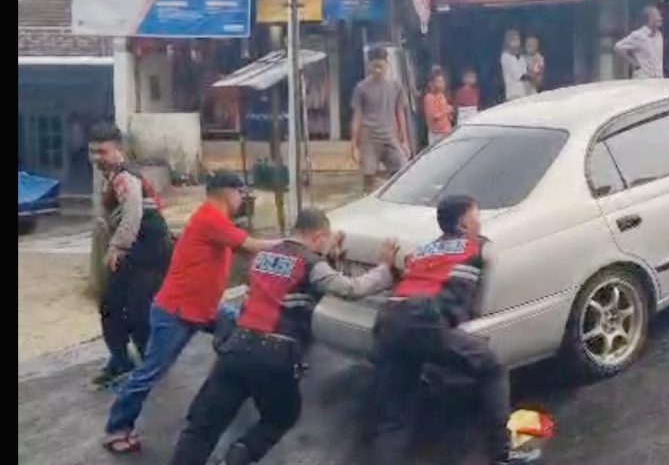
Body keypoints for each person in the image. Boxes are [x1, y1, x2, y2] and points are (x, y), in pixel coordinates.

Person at [169, 209, 400, 465]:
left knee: (203, 424)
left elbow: (288, 280)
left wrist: (328, 258)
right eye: (326, 239)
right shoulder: (310, 263)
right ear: (319, 235)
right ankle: (234, 459)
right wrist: (384, 269)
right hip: (274, 354)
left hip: (235, 346)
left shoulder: (264, 254)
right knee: (281, 416)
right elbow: (350, 289)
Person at [102, 172, 279, 455]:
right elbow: (251, 246)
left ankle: (233, 389)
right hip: (177, 311)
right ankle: (117, 428)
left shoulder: (216, 221)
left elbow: (248, 253)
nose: (241, 199)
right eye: (239, 193)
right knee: (150, 372)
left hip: (205, 307)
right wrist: (296, 246)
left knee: (244, 331)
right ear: (227, 193)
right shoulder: (210, 218)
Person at [372, 195, 530, 465]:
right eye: (476, 216)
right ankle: (504, 454)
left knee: (395, 418)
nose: (479, 222)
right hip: (422, 320)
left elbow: (412, 284)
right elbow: (482, 300)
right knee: (491, 368)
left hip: (387, 320)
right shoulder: (480, 246)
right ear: (464, 224)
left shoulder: (422, 250)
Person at [89, 123, 173, 388]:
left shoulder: (126, 177)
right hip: (135, 249)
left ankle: (149, 363)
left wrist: (118, 247)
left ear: (118, 149)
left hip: (149, 249)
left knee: (137, 309)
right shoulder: (110, 176)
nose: (96, 158)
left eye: (102, 151)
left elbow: (133, 214)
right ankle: (121, 360)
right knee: (112, 305)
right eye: (92, 152)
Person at [351, 47, 411, 193]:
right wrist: (354, 144)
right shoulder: (361, 88)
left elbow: (400, 112)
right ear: (369, 66)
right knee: (369, 174)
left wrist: (405, 139)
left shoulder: (396, 86)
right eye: (374, 66)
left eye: (380, 66)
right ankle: (367, 198)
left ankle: (389, 195)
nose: (377, 70)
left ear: (387, 64)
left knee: (402, 168)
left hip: (390, 134)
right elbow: (357, 115)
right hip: (369, 136)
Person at [614, 5, 666, 79]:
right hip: (643, 79)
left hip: (658, 78)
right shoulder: (638, 35)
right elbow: (618, 47)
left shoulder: (659, 35)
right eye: (657, 16)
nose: (660, 19)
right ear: (650, 19)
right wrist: (634, 64)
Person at [423, 67, 454, 146]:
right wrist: (447, 111)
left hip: (447, 131)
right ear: (431, 84)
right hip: (437, 135)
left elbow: (444, 111)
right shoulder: (429, 98)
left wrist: (450, 115)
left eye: (443, 81)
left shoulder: (441, 96)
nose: (442, 84)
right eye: (439, 82)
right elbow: (434, 116)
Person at [500, 29, 529, 102]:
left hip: (524, 91)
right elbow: (516, 74)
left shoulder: (521, 56)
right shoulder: (505, 56)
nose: (516, 42)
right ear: (508, 41)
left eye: (518, 40)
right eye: (513, 40)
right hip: (513, 93)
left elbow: (524, 70)